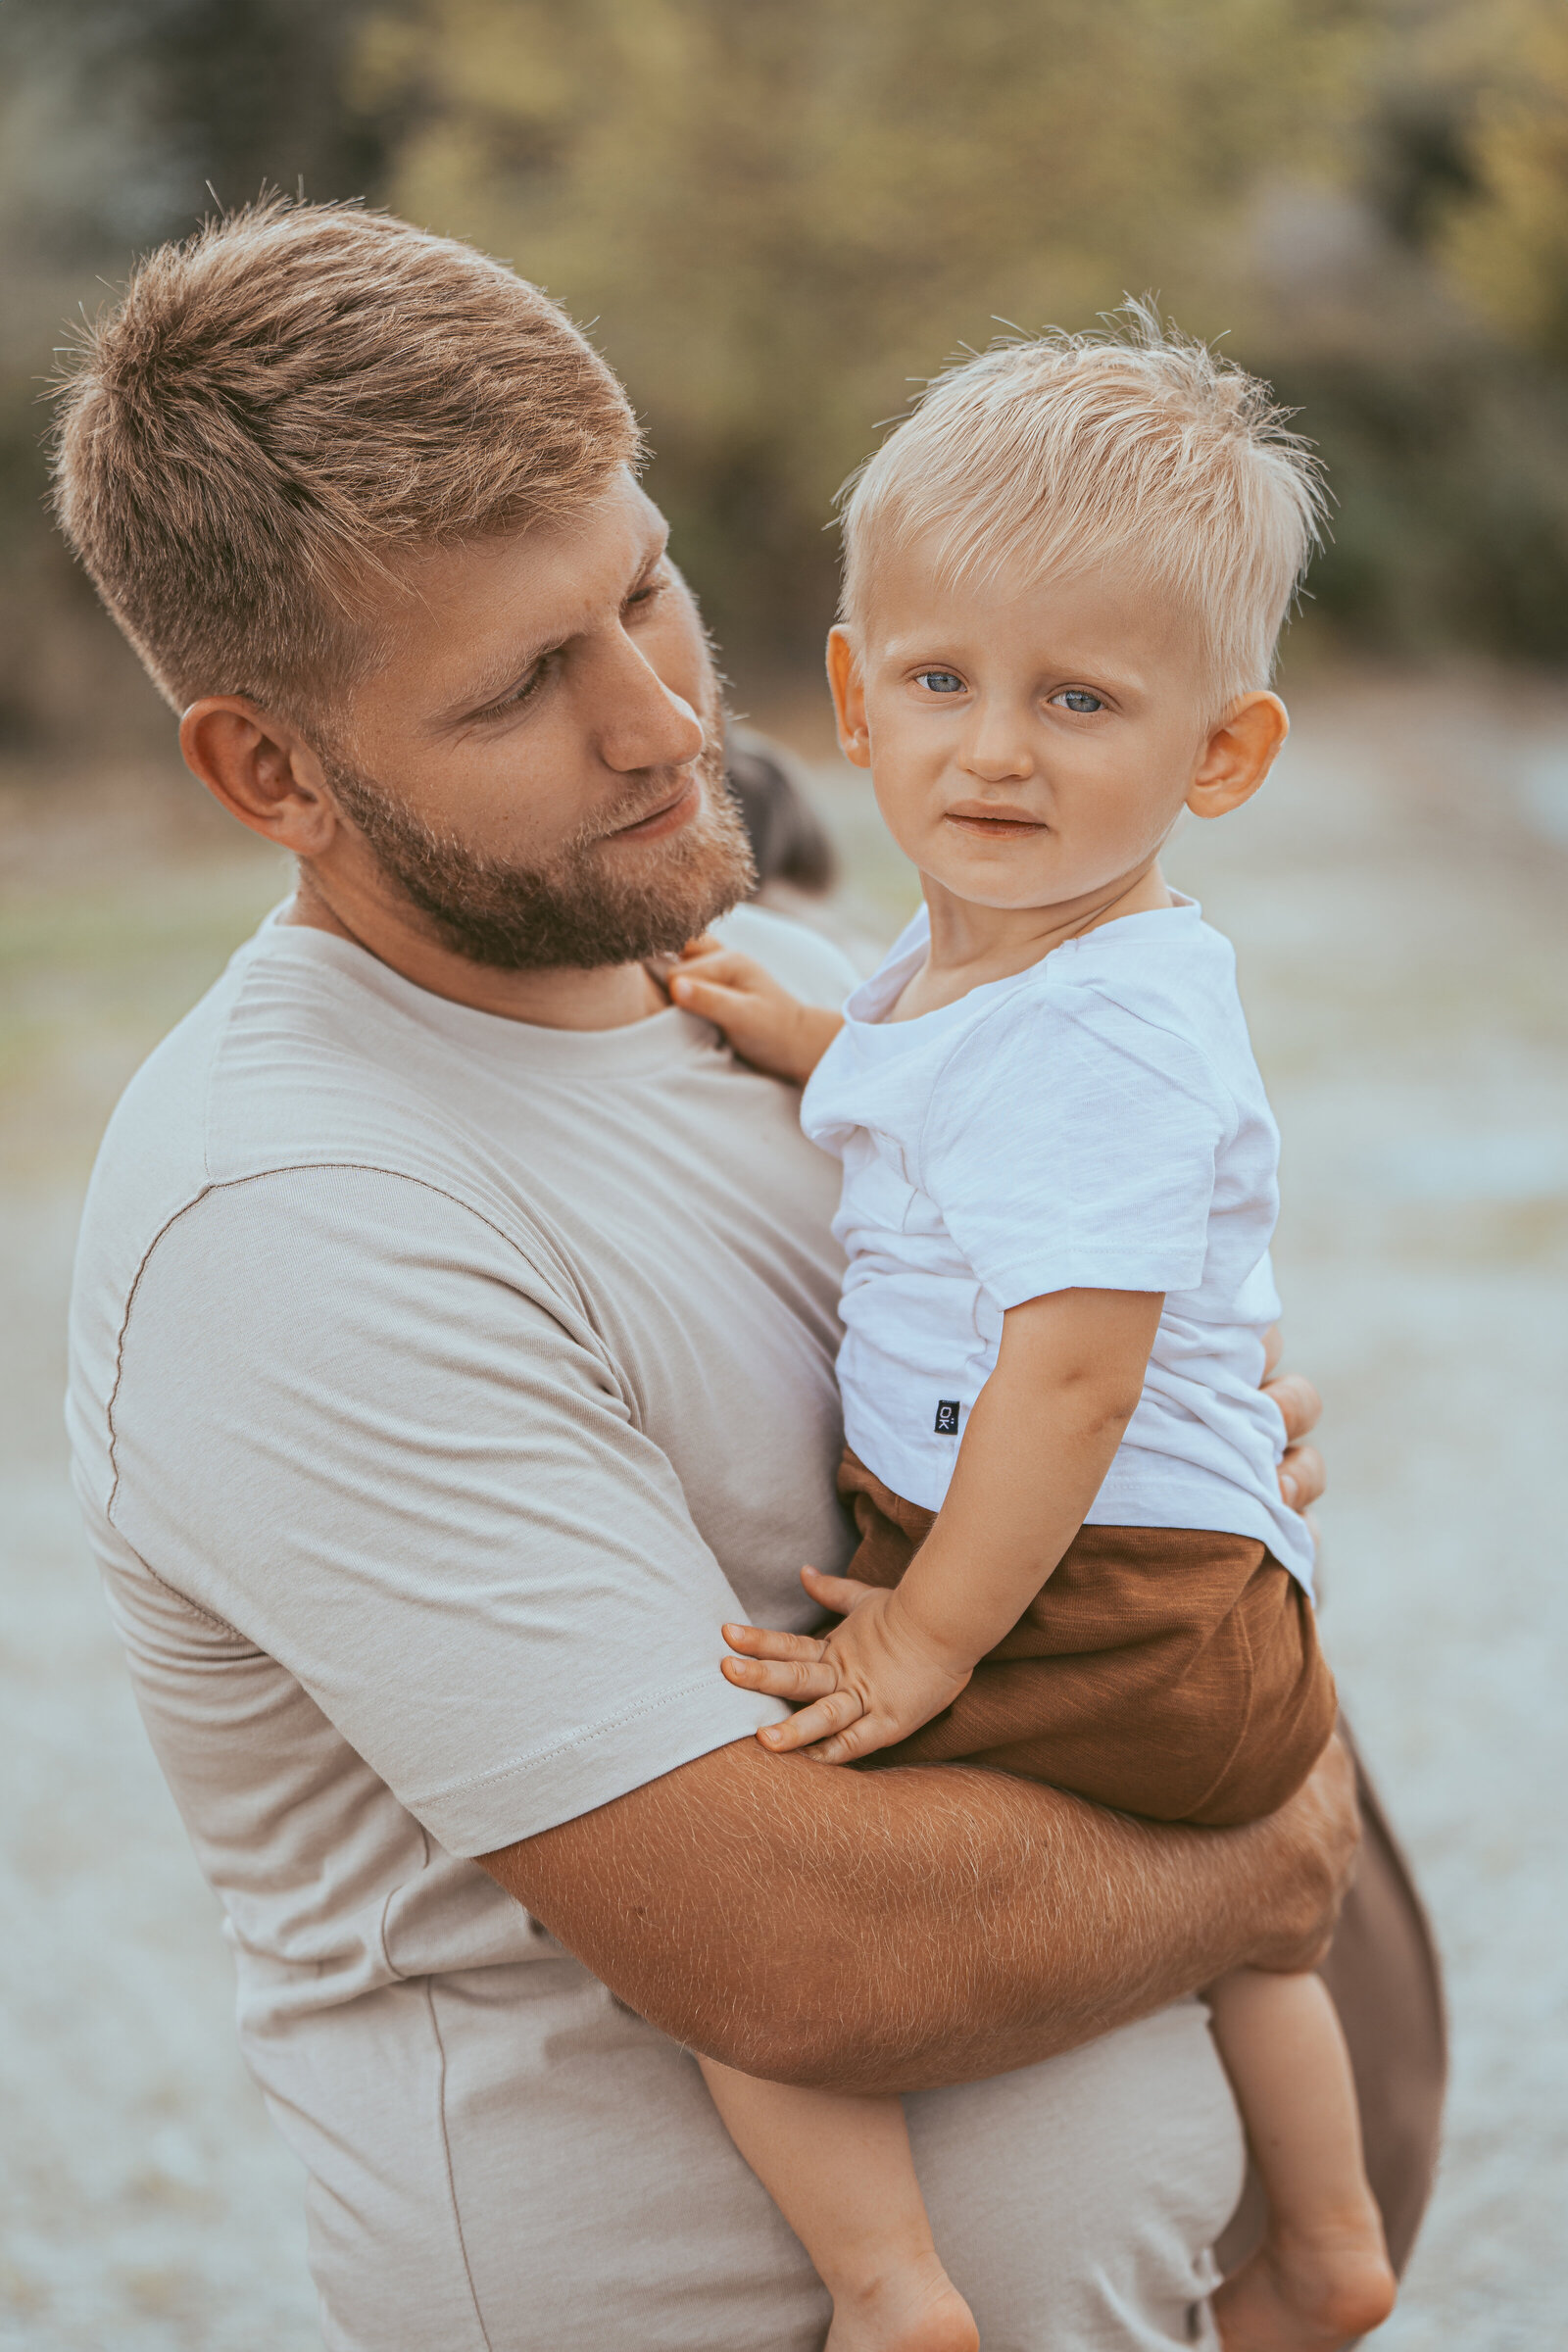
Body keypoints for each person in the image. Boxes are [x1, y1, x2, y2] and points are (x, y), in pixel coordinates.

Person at [53, 201, 1440, 2351]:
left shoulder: (779, 993)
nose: (663, 725)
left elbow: (1047, 1363)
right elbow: (787, 1957)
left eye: (645, 589)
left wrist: (1195, 1428)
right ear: (267, 771)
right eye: (526, 682)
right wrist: (1265, 1855)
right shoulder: (293, 1218)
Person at [668, 321, 1396, 2352]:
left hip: (1093, 1592)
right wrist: (816, 1039)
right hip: (1192, 1601)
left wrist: (920, 1636)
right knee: (1252, 1934)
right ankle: (1326, 2248)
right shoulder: (992, 947)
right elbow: (942, 1093)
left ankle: (891, 2290)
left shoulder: (1104, 1022)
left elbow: (1067, 1376)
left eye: (1077, 699)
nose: (992, 749)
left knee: (739, 1918)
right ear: (850, 698)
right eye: (939, 684)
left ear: (1219, 758)